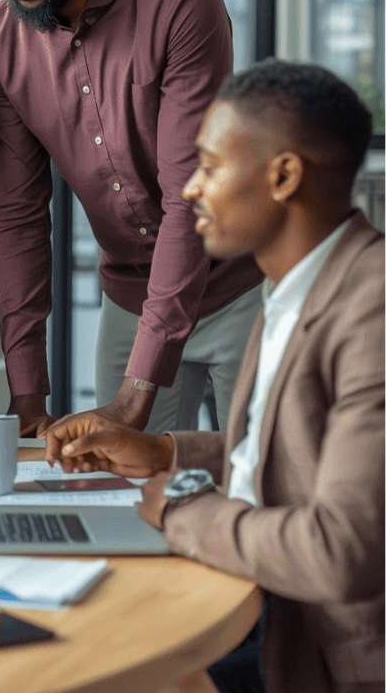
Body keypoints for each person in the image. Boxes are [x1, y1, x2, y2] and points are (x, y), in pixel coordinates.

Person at [45, 60, 384, 693]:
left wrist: (180, 513)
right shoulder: (293, 288)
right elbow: (296, 461)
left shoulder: (372, 308)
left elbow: (339, 550)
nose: (189, 189)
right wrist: (162, 454)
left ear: (283, 176)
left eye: (209, 165)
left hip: (337, 664)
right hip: (274, 620)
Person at [0, 0, 263, 437]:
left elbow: (188, 197)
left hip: (240, 292)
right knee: (123, 481)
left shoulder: (180, 1)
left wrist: (140, 388)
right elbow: (19, 213)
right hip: (130, 298)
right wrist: (26, 390)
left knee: (261, 477)